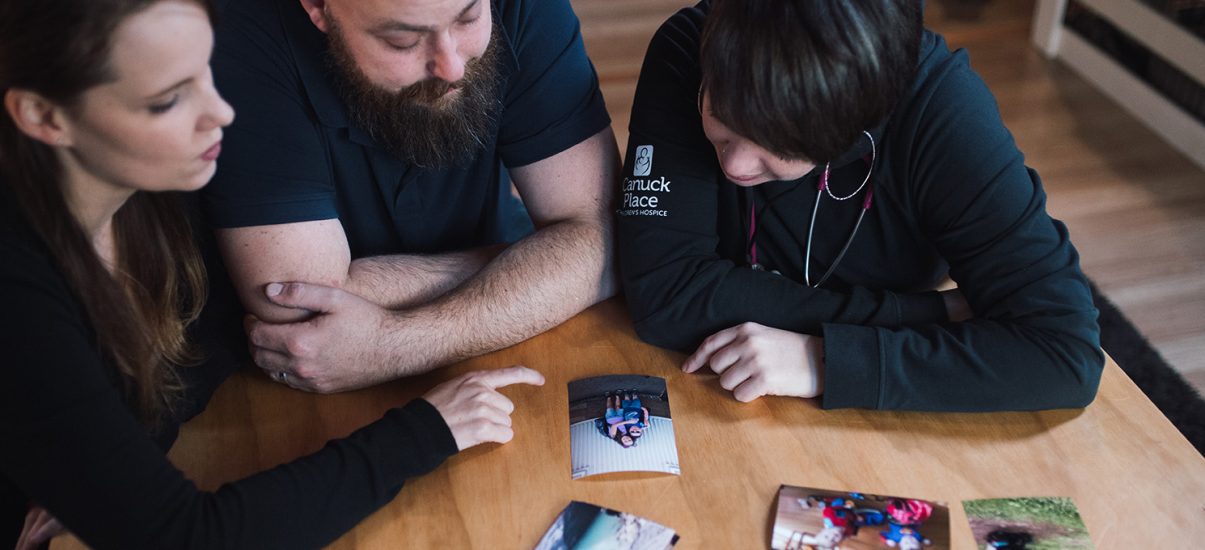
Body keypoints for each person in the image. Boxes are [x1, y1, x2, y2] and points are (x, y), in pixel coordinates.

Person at [0, 1, 542, 547]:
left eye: (206, 73)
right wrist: (426, 430)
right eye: (167, 101)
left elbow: (199, 356)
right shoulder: (19, 288)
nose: (222, 114)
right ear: (44, 117)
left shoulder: (153, 196)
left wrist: (100, 466)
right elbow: (187, 538)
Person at [616, 0, 1104, 411]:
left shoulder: (940, 110)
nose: (737, 165)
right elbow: (667, 295)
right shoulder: (690, 47)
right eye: (721, 116)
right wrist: (922, 314)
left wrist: (824, 361)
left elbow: (1065, 354)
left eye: (781, 144)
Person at [199, 0, 620, 393]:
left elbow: (604, 236)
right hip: (272, 373)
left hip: (494, 348)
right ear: (317, 8)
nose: (452, 66)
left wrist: (395, 345)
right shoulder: (237, 28)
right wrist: (537, 261)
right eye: (403, 40)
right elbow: (293, 307)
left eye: (469, 17)